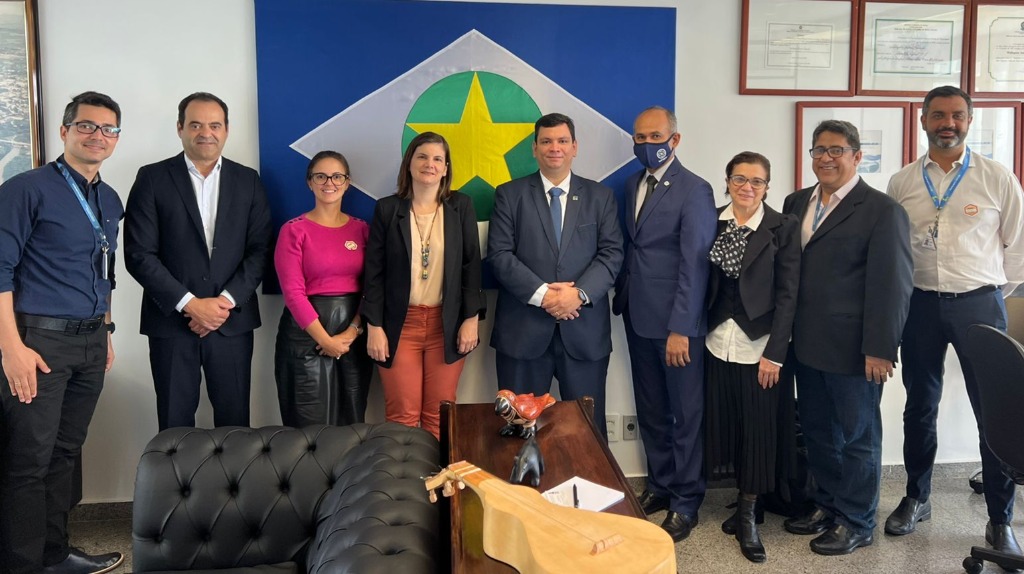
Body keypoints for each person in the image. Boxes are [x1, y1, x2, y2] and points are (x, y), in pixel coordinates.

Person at [884, 86, 1024, 557]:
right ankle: (916, 497)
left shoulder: (996, 177)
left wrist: (988, 293)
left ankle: (999, 519)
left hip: (979, 305)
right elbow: (895, 250)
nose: (949, 123)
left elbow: (1018, 249)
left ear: (969, 121)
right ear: (923, 120)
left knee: (994, 412)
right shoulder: (902, 182)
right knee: (920, 405)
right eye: (939, 115)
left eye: (958, 115)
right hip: (920, 305)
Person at [0, 91, 125, 573]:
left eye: (108, 129)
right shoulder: (25, 189)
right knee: (28, 460)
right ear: (65, 131)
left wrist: (106, 331)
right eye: (87, 126)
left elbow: (105, 273)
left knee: (65, 453)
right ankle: (22, 563)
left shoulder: (109, 199)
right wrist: (11, 348)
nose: (98, 136)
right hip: (38, 342)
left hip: (91, 341)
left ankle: (54, 555)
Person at [781, 120, 913, 556]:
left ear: (857, 157)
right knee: (819, 432)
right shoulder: (796, 202)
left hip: (856, 350)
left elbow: (892, 286)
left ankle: (857, 521)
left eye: (836, 150)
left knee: (858, 439)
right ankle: (828, 505)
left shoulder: (882, 210)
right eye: (819, 150)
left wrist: (881, 348)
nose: (826, 158)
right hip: (805, 345)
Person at [124, 92, 272, 430]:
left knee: (235, 429)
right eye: (195, 125)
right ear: (180, 128)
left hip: (231, 322)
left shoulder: (248, 180)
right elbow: (138, 253)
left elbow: (261, 249)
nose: (206, 132)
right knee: (174, 429)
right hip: (171, 324)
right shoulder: (152, 178)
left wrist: (223, 304)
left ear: (226, 130)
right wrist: (191, 305)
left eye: (215, 125)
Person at [612, 106, 715, 542]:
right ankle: (660, 484)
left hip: (676, 326)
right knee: (652, 409)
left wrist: (682, 328)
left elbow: (695, 264)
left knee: (685, 415)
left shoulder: (695, 189)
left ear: (675, 139)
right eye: (640, 137)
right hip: (638, 316)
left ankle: (686, 501)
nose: (647, 144)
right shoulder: (632, 184)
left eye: (655, 136)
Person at [487, 113, 623, 439]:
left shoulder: (600, 196)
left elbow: (612, 254)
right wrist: (545, 296)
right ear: (534, 148)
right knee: (518, 432)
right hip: (523, 333)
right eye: (546, 141)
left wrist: (578, 295)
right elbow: (500, 256)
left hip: (584, 334)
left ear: (575, 147)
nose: (554, 148)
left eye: (562, 141)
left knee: (587, 433)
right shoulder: (509, 194)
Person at [703, 151, 800, 562]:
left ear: (767, 187)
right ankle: (744, 502)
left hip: (759, 347)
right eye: (739, 179)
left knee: (759, 431)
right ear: (727, 181)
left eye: (756, 181)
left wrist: (775, 354)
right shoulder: (712, 220)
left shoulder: (782, 227)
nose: (747, 187)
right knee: (728, 425)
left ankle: (749, 515)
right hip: (715, 340)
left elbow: (789, 295)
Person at [362, 132, 484, 440]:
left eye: (437, 159)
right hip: (399, 325)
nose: (430, 164)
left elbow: (471, 265)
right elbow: (374, 273)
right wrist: (374, 326)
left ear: (445, 168)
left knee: (439, 416)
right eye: (422, 157)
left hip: (447, 323)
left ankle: (438, 474)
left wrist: (471, 319)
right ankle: (403, 475)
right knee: (402, 416)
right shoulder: (387, 209)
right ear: (409, 164)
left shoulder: (460, 206)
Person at [273, 151, 373, 428]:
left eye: (337, 176)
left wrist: (352, 332)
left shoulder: (362, 230)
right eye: (321, 176)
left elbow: (372, 287)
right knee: (309, 431)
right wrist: (325, 340)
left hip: (352, 336)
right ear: (310, 182)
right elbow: (293, 293)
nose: (329, 183)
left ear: (347, 183)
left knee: (351, 424)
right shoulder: (294, 231)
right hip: (305, 337)